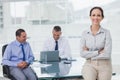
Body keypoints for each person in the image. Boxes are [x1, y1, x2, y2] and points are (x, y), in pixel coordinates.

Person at [80, 6, 112, 80]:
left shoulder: (106, 33)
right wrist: (98, 52)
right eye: (93, 15)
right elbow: (82, 53)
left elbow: (107, 54)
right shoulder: (85, 33)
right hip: (89, 64)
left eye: (98, 15)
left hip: (105, 65)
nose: (96, 17)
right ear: (90, 17)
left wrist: (89, 53)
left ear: (102, 17)